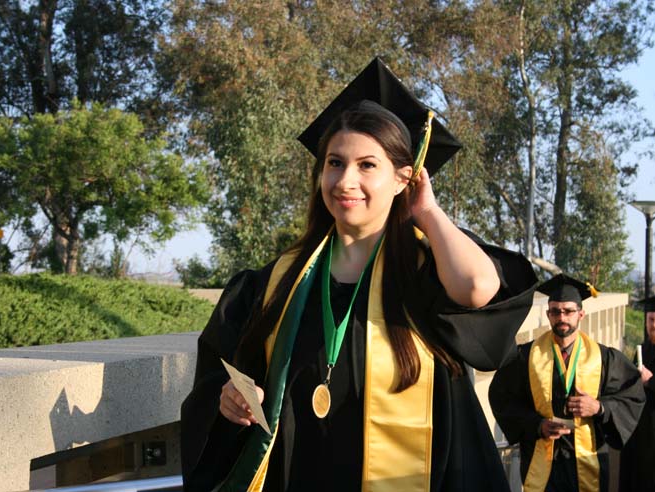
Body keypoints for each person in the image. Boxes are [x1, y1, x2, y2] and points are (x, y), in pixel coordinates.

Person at [180, 57, 538, 492]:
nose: (346, 180)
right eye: (335, 163)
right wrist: (231, 399)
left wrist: (425, 210)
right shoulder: (280, 279)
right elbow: (226, 374)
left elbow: (479, 289)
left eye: (367, 165)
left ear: (403, 178)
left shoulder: (427, 269)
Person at [489, 274, 645, 492]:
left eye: (568, 311)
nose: (562, 317)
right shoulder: (525, 356)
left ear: (581, 314)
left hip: (589, 459)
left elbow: (632, 395)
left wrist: (599, 407)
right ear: (548, 315)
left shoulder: (605, 358)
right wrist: (537, 424)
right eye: (555, 311)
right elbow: (501, 397)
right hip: (542, 461)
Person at [619, 295, 655, 491]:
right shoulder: (644, 350)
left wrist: (650, 380)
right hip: (640, 431)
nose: (654, 325)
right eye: (651, 320)